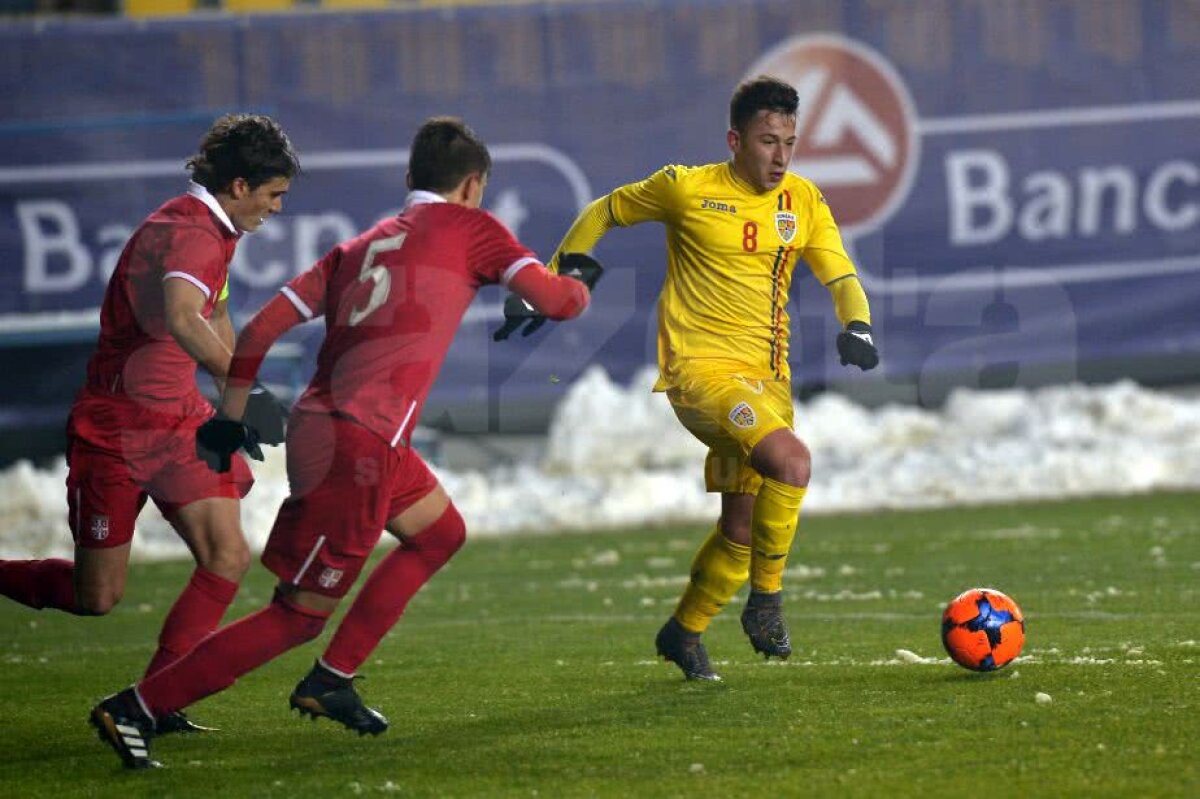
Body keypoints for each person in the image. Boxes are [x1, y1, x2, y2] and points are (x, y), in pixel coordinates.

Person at [89, 116, 600, 769]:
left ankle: (331, 679)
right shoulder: (475, 228)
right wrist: (581, 280)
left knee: (440, 533)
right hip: (360, 445)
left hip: (328, 427)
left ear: (411, 179)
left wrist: (233, 412)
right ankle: (138, 704)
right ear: (474, 185)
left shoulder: (358, 247)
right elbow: (558, 301)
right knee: (298, 613)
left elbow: (260, 329)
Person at [499, 76, 879, 681]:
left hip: (766, 382)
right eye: (766, 141)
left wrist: (857, 325)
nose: (779, 157)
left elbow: (839, 273)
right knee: (793, 463)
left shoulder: (803, 200)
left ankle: (684, 631)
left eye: (789, 142)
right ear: (735, 140)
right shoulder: (686, 189)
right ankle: (767, 603)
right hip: (700, 375)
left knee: (740, 526)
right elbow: (606, 211)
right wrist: (552, 279)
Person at [0, 114, 298, 725]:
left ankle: (153, 703)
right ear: (239, 185)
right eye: (274, 195)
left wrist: (236, 403)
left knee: (226, 556)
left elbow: (213, 318)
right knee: (97, 597)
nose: (276, 209)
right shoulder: (188, 232)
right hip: (117, 426)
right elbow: (185, 317)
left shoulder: (215, 229)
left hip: (177, 421)